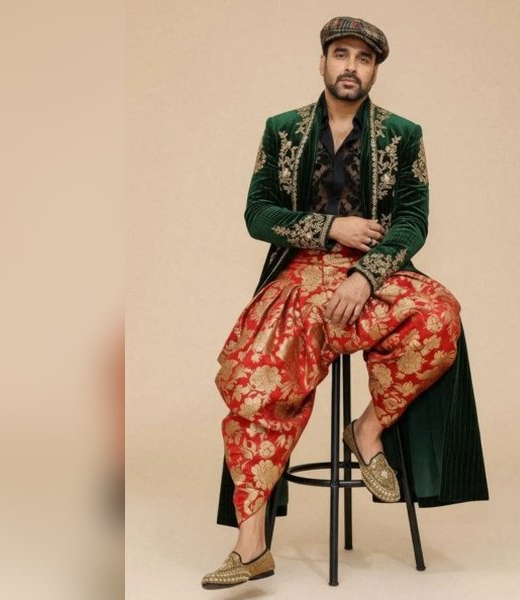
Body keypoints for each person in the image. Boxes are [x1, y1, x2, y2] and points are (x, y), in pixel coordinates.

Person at [201, 16, 488, 590]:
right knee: (255, 378)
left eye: (364, 58)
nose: (351, 66)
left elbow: (413, 220)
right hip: (299, 277)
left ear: (375, 70)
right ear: (323, 62)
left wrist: (365, 275)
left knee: (440, 315)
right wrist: (331, 228)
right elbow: (258, 214)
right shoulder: (282, 130)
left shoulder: (403, 134)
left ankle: (366, 431)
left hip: (374, 278)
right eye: (341, 54)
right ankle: (251, 545)